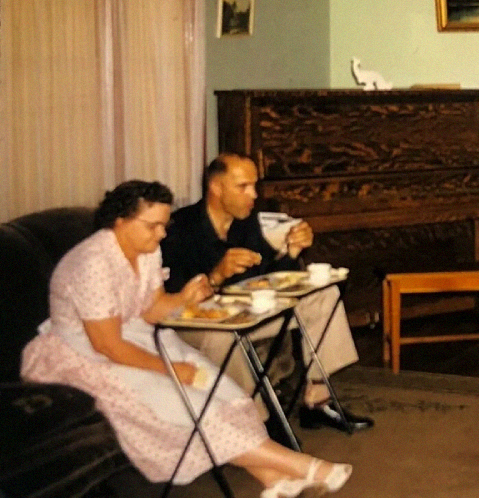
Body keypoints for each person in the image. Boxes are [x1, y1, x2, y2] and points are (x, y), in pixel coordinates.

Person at [20, 181, 351, 497]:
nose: (162, 233)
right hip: (80, 354)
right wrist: (169, 369)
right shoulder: (90, 263)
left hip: (135, 336)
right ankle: (305, 467)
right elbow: (106, 344)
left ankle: (272, 478)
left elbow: (151, 310)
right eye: (153, 225)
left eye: (164, 225)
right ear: (120, 221)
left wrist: (186, 297)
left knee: (224, 391)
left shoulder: (147, 250)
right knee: (185, 405)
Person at [160, 153, 373, 432]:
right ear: (216, 188)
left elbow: (267, 279)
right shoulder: (180, 228)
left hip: (248, 315)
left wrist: (292, 251)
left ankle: (317, 401)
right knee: (224, 336)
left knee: (324, 296)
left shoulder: (245, 222)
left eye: (254, 185)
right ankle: (256, 424)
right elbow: (170, 296)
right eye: (243, 187)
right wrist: (216, 276)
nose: (254, 194)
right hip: (202, 324)